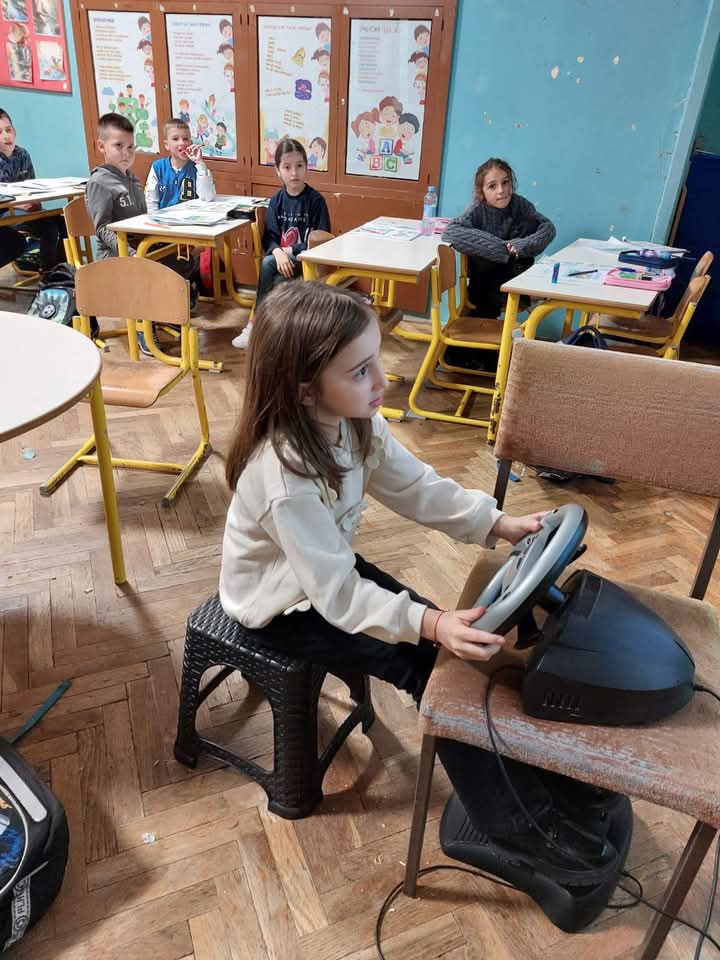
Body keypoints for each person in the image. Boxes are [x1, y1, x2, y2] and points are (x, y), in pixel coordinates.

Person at [220, 280, 622, 888]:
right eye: (361, 371)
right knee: (429, 668)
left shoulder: (354, 423)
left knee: (444, 646)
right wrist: (430, 624)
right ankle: (515, 825)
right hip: (279, 609)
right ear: (305, 389)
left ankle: (538, 778)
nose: (382, 381)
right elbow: (338, 596)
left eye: (376, 360)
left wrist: (498, 523)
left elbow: (416, 487)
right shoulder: (283, 478)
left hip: (321, 577)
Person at [85, 113, 199, 353]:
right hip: (115, 255)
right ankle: (142, 327)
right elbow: (102, 228)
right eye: (118, 146)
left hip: (140, 245)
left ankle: (161, 312)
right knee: (145, 269)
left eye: (130, 147)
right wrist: (130, 251)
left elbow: (144, 217)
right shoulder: (99, 182)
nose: (126, 153)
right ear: (102, 146)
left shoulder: (132, 179)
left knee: (183, 256)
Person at [442, 158, 556, 370]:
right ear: (482, 191)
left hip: (515, 275)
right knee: (486, 271)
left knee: (530, 223)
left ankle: (485, 354)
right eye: (492, 186)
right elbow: (451, 232)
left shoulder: (520, 205)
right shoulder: (478, 209)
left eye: (505, 183)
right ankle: (472, 355)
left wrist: (521, 245)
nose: (501, 191)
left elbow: (548, 228)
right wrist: (501, 249)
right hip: (485, 283)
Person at [231, 138, 329, 350]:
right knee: (274, 275)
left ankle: (255, 326)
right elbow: (270, 237)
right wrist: (278, 252)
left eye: (299, 166)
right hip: (281, 261)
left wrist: (288, 250)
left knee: (268, 265)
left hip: (307, 260)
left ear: (307, 167)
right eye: (287, 167)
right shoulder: (276, 201)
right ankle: (268, 332)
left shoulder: (316, 201)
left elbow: (320, 240)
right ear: (277, 171)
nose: (294, 173)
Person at [0, 108, 66, 273]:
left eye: (8, 130)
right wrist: (17, 205)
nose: (6, 136)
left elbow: (33, 186)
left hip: (27, 209)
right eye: (0, 132)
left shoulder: (23, 154)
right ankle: (48, 274)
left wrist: (36, 202)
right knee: (49, 228)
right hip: (6, 212)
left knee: (64, 223)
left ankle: (62, 270)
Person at [145, 118, 216, 211]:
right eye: (175, 139)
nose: (182, 143)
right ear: (166, 145)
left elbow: (208, 197)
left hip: (191, 217)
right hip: (164, 218)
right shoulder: (158, 167)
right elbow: (150, 202)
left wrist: (199, 163)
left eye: (185, 139)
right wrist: (154, 217)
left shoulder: (197, 168)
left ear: (191, 143)